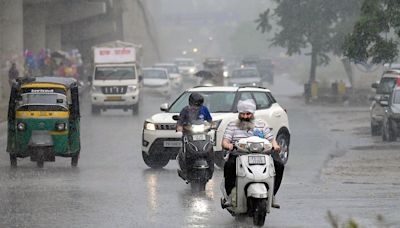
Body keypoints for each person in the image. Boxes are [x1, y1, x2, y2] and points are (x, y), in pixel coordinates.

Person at [221, 99, 284, 209]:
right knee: (229, 166)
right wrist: (228, 145)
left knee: (279, 165)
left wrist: (275, 146)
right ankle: (230, 196)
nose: (245, 116)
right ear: (239, 114)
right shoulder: (232, 125)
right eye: (243, 114)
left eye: (248, 114)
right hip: (239, 153)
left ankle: (272, 195)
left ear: (253, 114)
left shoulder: (261, 124)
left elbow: (271, 139)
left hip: (262, 154)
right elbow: (225, 141)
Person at [176, 92, 213, 177]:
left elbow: (210, 121)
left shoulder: (204, 109)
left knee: (210, 149)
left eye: (198, 106)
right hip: (188, 135)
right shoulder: (185, 110)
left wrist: (211, 125)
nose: (196, 108)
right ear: (190, 103)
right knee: (185, 150)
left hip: (203, 135)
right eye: (194, 106)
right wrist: (179, 128)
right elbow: (179, 123)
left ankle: (211, 169)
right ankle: (184, 169)